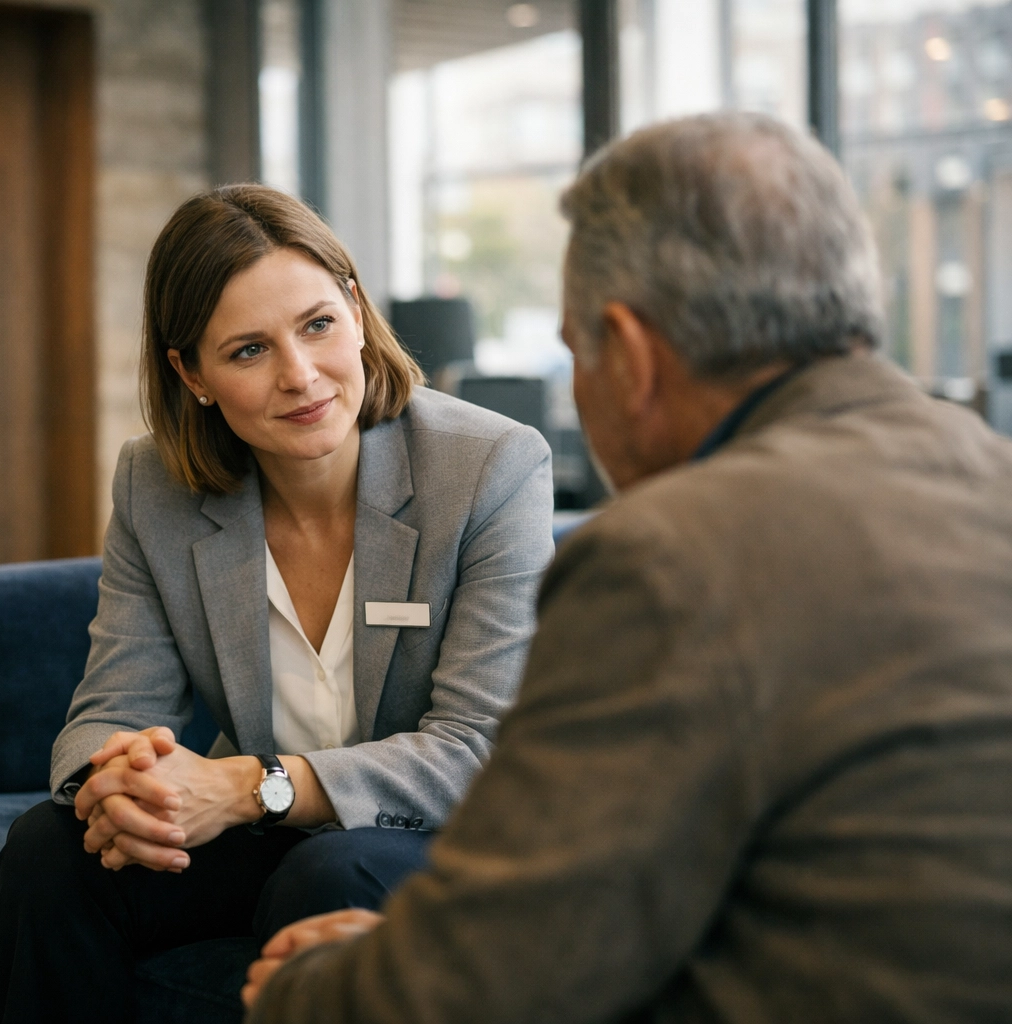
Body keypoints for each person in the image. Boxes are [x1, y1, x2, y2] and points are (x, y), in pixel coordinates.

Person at [243, 112, 1012, 1022]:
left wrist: (303, 994)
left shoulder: (669, 556)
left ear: (633, 355)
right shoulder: (986, 474)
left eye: (575, 352)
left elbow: (499, 975)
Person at [0, 184, 555, 1022]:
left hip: (439, 842)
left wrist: (254, 788)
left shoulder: (490, 468)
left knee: (327, 873)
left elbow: (477, 751)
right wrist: (121, 783)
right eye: (249, 350)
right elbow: (109, 707)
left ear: (357, 312)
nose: (300, 376)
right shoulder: (157, 485)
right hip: (265, 837)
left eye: (318, 324)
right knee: (51, 850)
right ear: (192, 374)